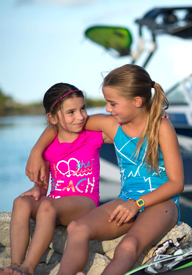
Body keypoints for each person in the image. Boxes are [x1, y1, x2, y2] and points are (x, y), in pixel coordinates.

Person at [24, 64, 184, 275]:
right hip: (126, 198)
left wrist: (137, 204)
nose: (108, 109)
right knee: (77, 228)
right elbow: (63, 122)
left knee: (128, 245)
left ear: (137, 101)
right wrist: (36, 151)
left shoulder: (161, 127)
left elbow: (176, 183)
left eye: (113, 103)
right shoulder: (111, 126)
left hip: (161, 202)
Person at [1, 83, 111, 275]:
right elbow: (43, 185)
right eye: (71, 112)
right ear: (52, 118)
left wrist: (152, 118)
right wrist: (37, 189)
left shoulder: (91, 136)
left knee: (47, 206)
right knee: (21, 202)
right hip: (56, 204)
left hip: (85, 201)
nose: (80, 116)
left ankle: (28, 268)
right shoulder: (49, 147)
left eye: (82, 108)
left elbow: (125, 129)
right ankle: (16, 265)